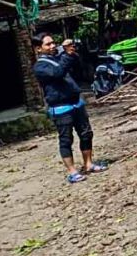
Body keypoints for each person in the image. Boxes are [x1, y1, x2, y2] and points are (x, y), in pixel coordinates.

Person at [32, 33, 107, 183]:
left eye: (53, 42)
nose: (53, 46)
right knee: (66, 140)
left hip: (76, 103)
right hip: (60, 107)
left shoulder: (58, 58)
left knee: (86, 134)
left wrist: (71, 53)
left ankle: (88, 164)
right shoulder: (40, 66)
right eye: (48, 44)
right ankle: (72, 172)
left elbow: (75, 66)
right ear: (38, 49)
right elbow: (58, 72)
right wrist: (66, 55)